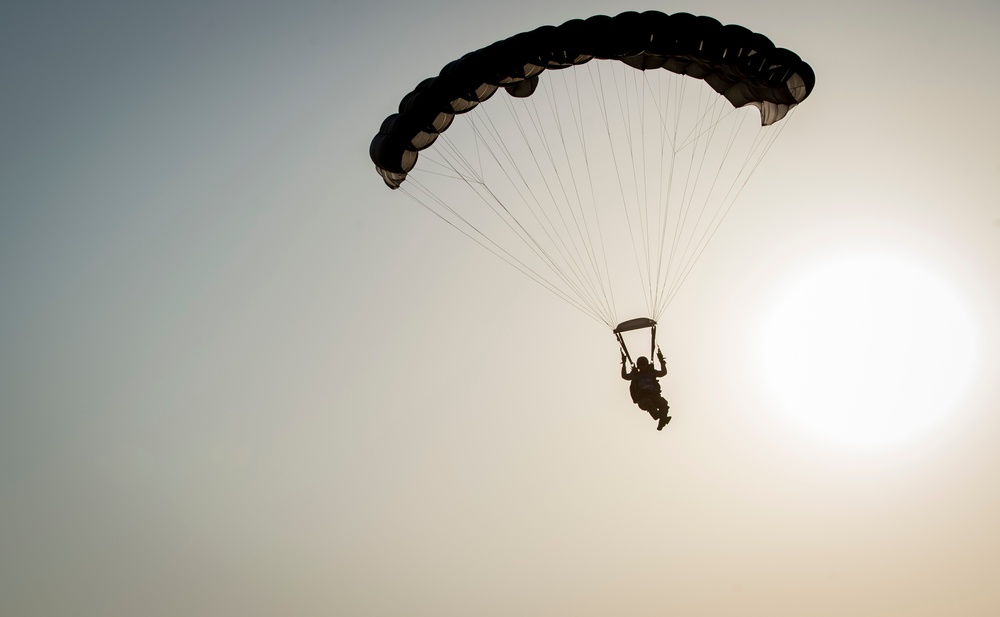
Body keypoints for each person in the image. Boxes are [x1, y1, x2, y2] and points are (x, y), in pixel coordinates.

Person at [621, 348, 671, 430]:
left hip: (654, 396)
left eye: (644, 365)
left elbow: (663, 372)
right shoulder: (636, 375)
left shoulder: (651, 372)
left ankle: (662, 420)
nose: (643, 367)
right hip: (643, 399)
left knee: (663, 403)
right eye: (641, 366)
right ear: (639, 367)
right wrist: (624, 363)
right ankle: (659, 417)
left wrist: (662, 361)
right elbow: (624, 376)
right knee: (648, 402)